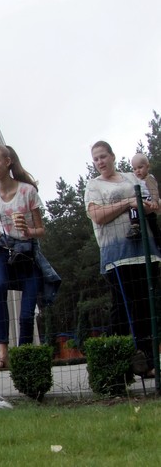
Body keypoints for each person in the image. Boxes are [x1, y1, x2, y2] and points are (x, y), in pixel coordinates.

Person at [0, 145, 60, 371]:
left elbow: (41, 230)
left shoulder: (27, 191)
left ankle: (23, 356)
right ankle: (3, 353)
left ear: (8, 161)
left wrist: (27, 231)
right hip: (4, 250)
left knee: (26, 313)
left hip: (27, 252)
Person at [86, 141, 158, 378]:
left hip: (145, 251)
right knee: (122, 307)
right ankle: (117, 365)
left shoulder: (131, 177)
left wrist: (147, 204)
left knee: (146, 307)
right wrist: (128, 202)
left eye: (103, 156)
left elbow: (151, 205)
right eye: (96, 159)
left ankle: (146, 363)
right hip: (117, 255)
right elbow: (97, 216)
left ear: (113, 156)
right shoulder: (94, 185)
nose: (100, 162)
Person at [130, 153, 161, 249]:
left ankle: (159, 243)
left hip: (148, 201)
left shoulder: (149, 178)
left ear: (147, 167)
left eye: (140, 167)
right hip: (140, 201)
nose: (137, 171)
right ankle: (135, 226)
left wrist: (155, 201)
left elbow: (154, 191)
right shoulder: (137, 180)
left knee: (153, 225)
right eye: (135, 169)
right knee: (132, 209)